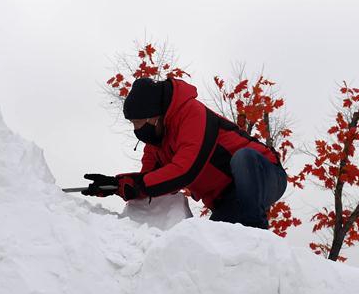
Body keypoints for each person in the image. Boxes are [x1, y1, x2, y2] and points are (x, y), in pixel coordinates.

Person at [82, 77, 288, 229]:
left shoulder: (192, 114)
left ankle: (257, 234)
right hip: (226, 200)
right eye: (133, 124)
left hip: (264, 175)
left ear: (155, 115)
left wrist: (135, 184)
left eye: (138, 122)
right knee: (211, 244)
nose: (137, 130)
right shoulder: (156, 144)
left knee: (244, 158)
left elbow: (184, 171)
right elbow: (149, 183)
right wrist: (117, 185)